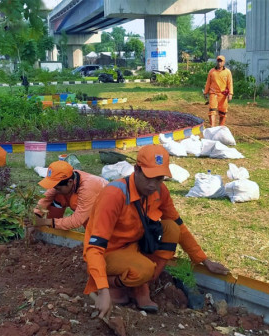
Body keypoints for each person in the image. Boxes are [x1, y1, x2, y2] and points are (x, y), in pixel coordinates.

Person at [83, 145, 229, 318]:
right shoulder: (114, 195)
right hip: (109, 252)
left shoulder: (160, 191)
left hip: (135, 246)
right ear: (137, 170)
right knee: (143, 269)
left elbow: (179, 225)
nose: (153, 185)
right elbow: (94, 248)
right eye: (148, 177)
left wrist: (203, 260)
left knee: (171, 229)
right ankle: (114, 284)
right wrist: (102, 291)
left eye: (159, 178)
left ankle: (140, 283)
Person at [33, 161, 108, 230]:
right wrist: (35, 216)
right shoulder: (69, 176)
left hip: (106, 213)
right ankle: (55, 229)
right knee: (56, 196)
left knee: (74, 202)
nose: (55, 189)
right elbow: (46, 198)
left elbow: (77, 221)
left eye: (57, 188)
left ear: (70, 182)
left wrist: (46, 222)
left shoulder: (88, 188)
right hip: (91, 203)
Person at [203, 55, 233, 127]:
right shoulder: (212, 72)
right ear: (216, 62)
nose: (219, 63)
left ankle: (220, 128)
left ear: (224, 62)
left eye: (221, 61)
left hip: (223, 95)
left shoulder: (227, 72)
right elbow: (208, 83)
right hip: (213, 93)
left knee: (223, 112)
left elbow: (230, 83)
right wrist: (205, 92)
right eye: (218, 61)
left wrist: (230, 93)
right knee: (212, 111)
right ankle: (212, 127)